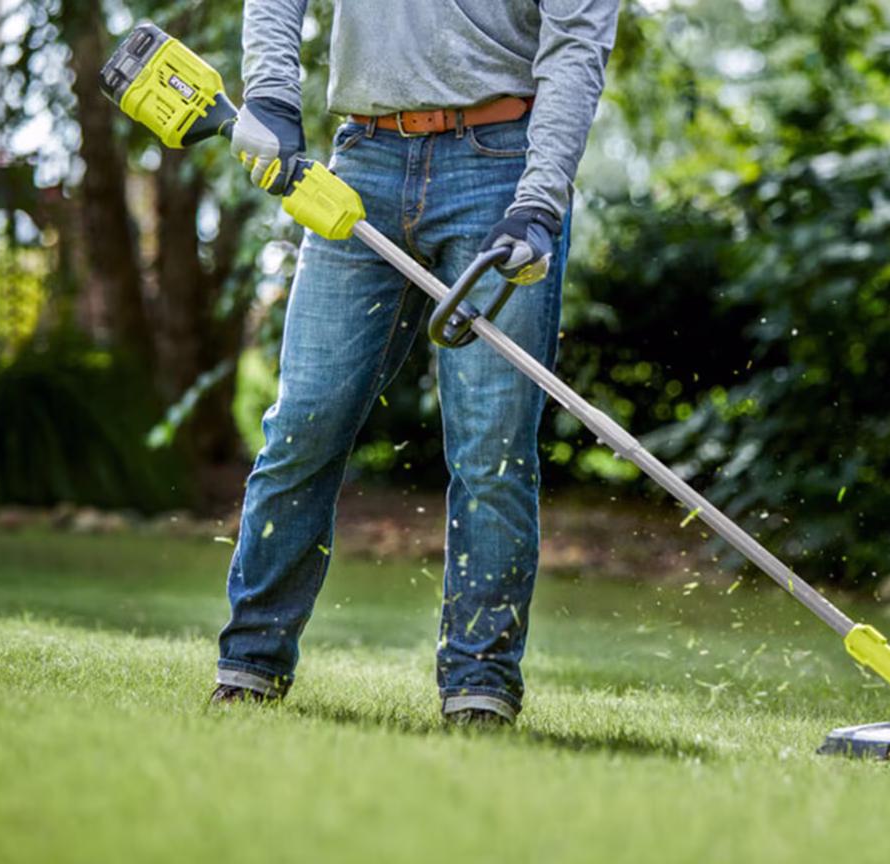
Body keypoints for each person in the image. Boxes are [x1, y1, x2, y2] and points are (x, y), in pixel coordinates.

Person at [210, 0, 621, 727]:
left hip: (501, 169)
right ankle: (249, 667)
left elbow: (576, 47)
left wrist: (539, 203)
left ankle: (479, 688)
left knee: (492, 448)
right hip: (361, 160)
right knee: (305, 421)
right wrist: (271, 95)